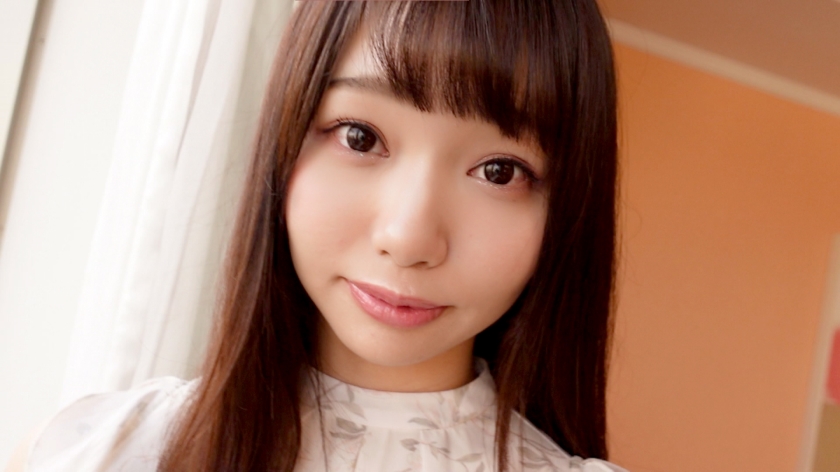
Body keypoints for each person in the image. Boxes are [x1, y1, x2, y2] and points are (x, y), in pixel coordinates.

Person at [7, 1, 626, 471]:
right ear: (286, 136)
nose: (408, 237)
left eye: (499, 172)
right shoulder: (103, 452)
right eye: (360, 137)